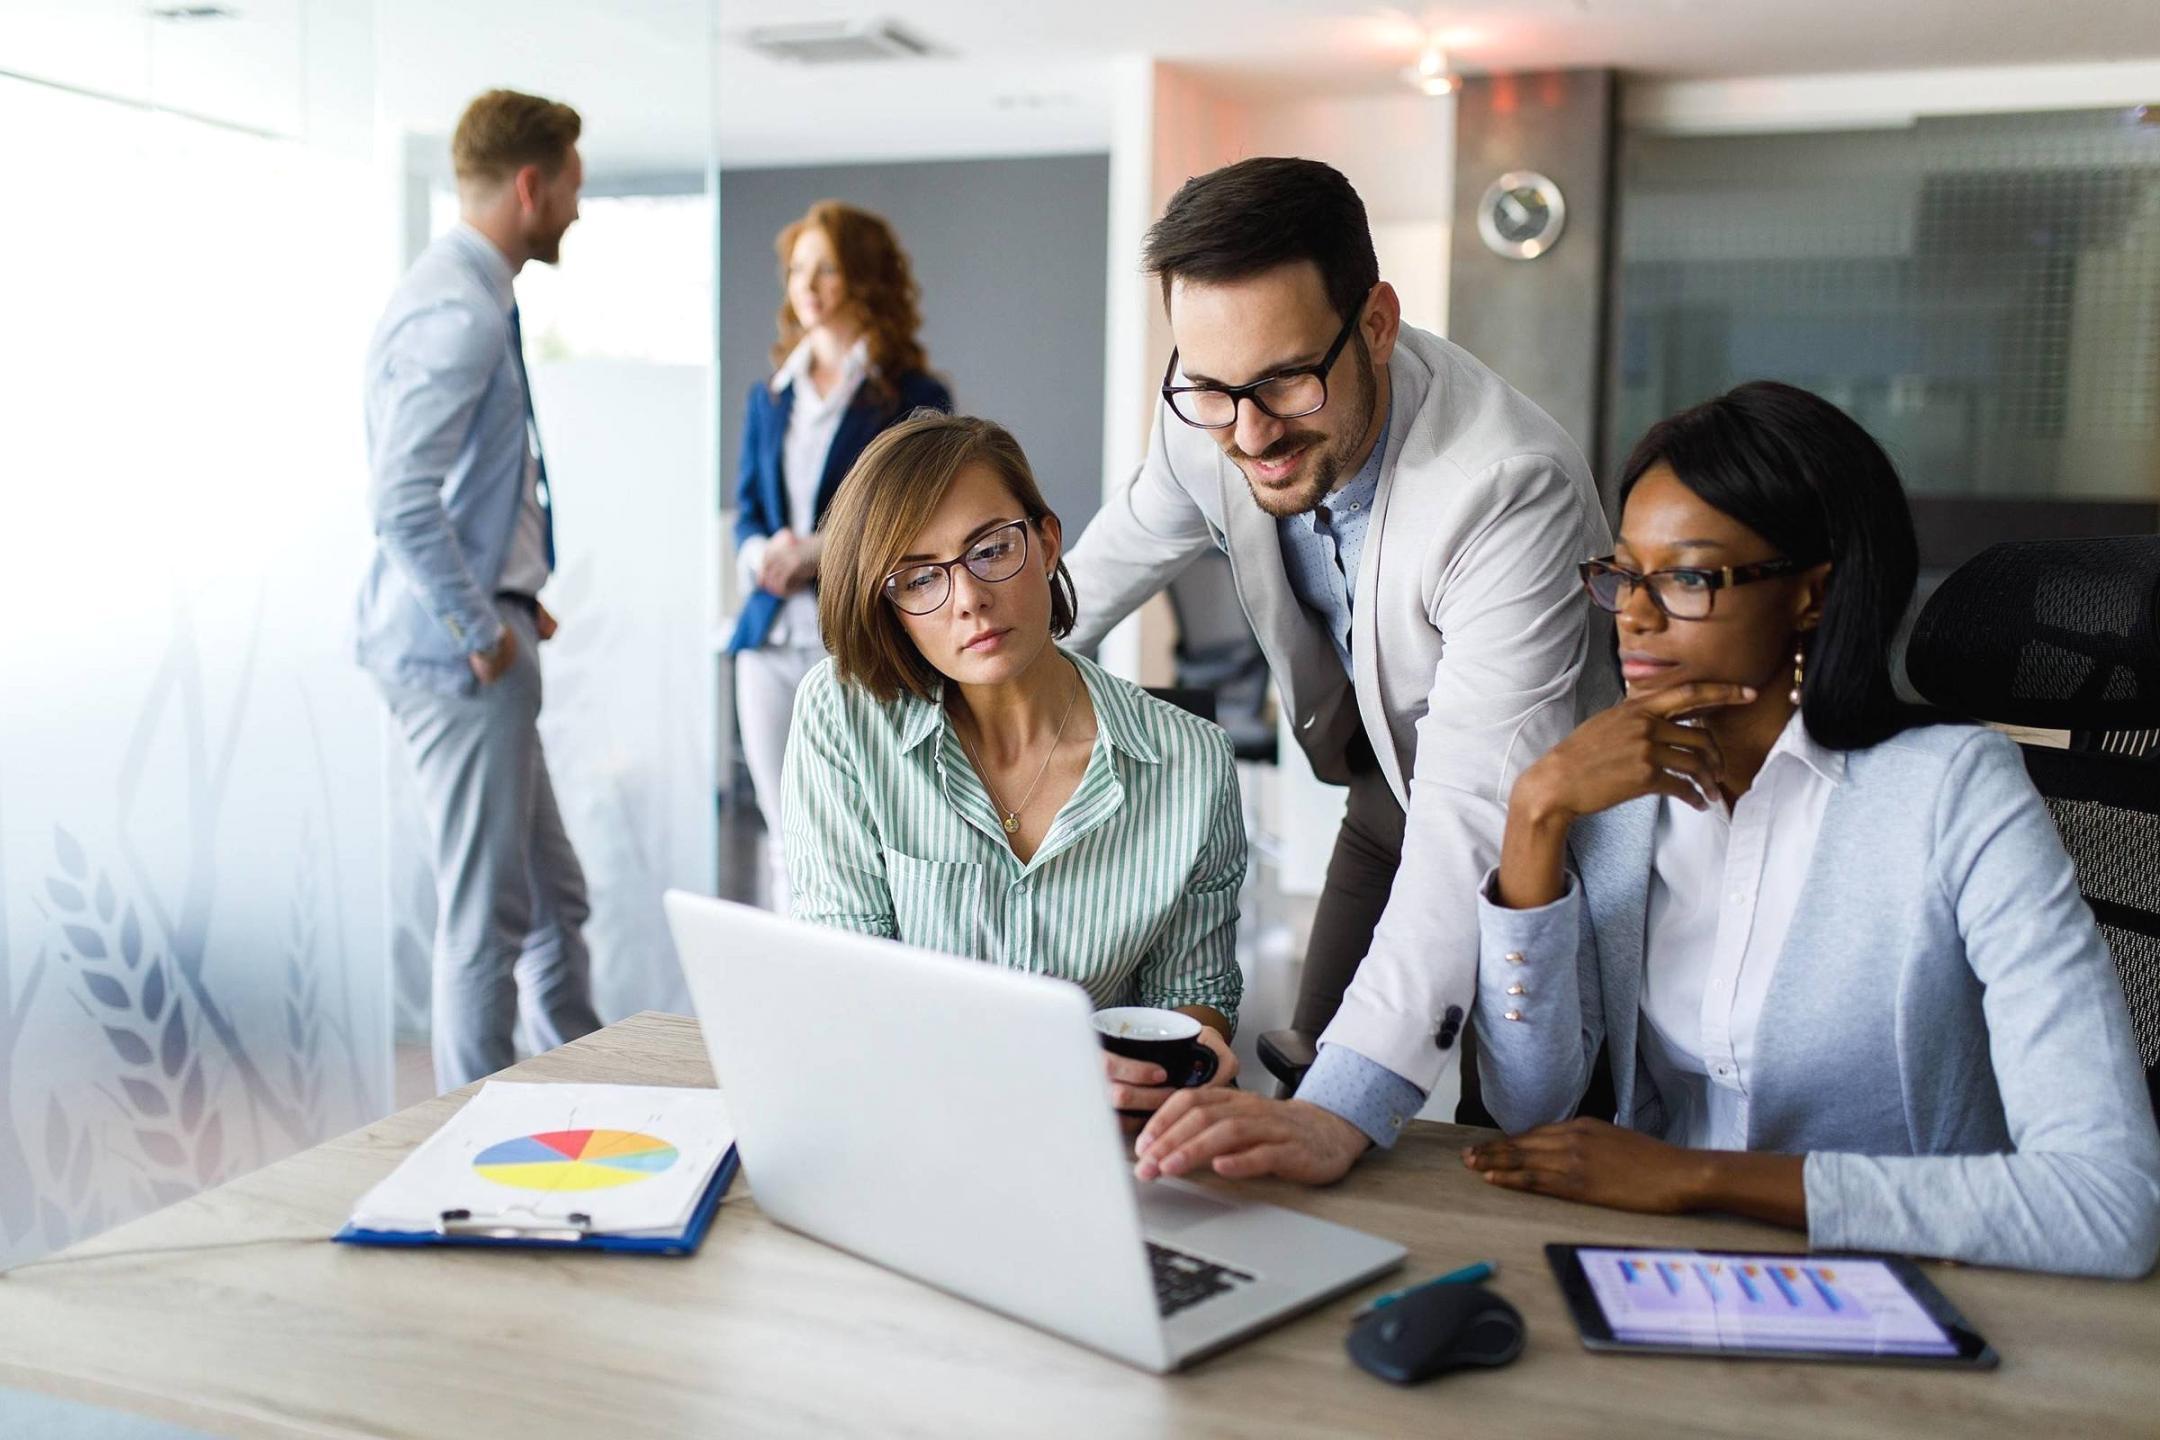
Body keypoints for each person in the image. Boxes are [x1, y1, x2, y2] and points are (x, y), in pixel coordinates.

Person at [1158, 381, 2160, 1279]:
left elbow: (2108, 1202)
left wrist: (1694, 1177)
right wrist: (1537, 824)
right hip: (1656, 1277)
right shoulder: (1622, 795)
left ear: (1811, 592)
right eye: (1623, 576)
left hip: (1904, 1294)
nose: (1632, 619)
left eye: (1686, 580)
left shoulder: (1951, 796)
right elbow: (1531, 1106)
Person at [1065, 157, 1615, 1155]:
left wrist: (1343, 1110)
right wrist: (948, 662)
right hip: (1380, 795)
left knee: (1517, 1143)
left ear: (1375, 324)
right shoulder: (1212, 416)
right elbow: (1095, 578)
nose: (1251, 432)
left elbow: (1475, 816)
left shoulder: (1504, 485)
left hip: (1547, 837)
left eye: (1284, 382)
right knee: (1304, 1083)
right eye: (1212, 388)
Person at [783, 413, 1246, 1116]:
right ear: (890, 606)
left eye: (990, 550)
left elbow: (1195, 997)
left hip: (1102, 1139)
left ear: (1048, 542)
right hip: (906, 1120)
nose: (968, 598)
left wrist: (1199, 1047)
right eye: (918, 579)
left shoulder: (1192, 764)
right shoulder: (844, 717)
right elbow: (850, 986)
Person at [354, 89, 599, 1091]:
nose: (579, 211)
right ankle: (475, 1134)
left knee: (554, 901)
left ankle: (594, 1083)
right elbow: (402, 499)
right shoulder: (459, 305)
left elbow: (456, 491)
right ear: (531, 184)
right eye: (574, 189)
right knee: (487, 920)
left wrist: (510, 589)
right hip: (459, 662)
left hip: (485, 633)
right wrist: (478, 623)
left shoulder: (467, 289)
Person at [728, 202, 952, 912]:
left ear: (864, 277)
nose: (808, 283)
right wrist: (763, 553)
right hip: (767, 639)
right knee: (781, 831)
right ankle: (790, 994)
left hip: (857, 636)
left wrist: (817, 553)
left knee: (862, 832)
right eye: (798, 268)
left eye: (826, 266)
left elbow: (919, 515)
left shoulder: (913, 396)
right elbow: (749, 514)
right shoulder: (770, 397)